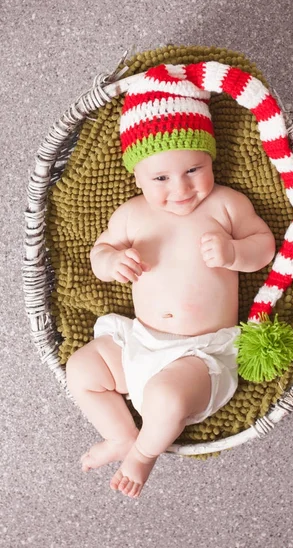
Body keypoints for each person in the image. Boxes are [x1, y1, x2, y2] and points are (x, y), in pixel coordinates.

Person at [65, 63, 276, 499]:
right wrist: (111, 262)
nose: (180, 188)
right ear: (136, 176)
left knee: (168, 400)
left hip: (200, 356)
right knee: (82, 368)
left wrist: (235, 253)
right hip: (139, 342)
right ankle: (121, 434)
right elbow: (99, 252)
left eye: (194, 170)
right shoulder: (130, 214)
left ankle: (142, 454)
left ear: (210, 158)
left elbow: (266, 246)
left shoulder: (226, 205)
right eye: (160, 178)